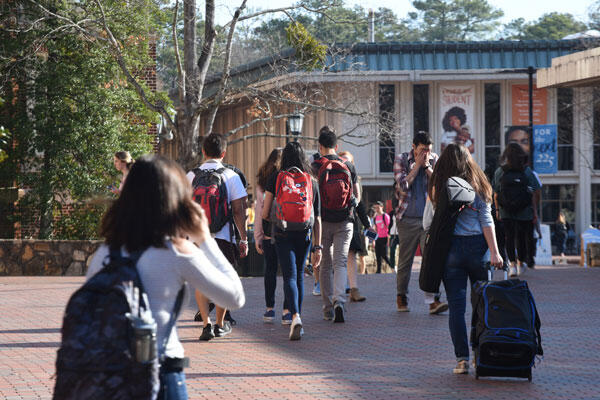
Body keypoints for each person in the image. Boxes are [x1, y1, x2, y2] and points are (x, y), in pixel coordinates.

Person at [86, 155, 245, 398]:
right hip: (162, 373)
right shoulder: (176, 251)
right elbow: (234, 297)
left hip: (114, 375)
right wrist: (204, 239)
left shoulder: (104, 254)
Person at [424, 143, 503, 375]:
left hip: (452, 250)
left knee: (457, 308)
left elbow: (432, 219)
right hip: (478, 248)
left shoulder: (439, 186)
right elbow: (486, 221)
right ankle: (481, 354)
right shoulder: (479, 185)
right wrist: (495, 252)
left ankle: (462, 359)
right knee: (482, 306)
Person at [187, 133, 248, 340]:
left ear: (203, 152)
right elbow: (239, 210)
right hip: (223, 236)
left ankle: (206, 324)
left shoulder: (191, 176)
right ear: (224, 152)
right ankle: (221, 325)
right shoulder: (231, 176)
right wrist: (243, 238)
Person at [262, 141, 322, 340]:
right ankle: (296, 315)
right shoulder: (311, 180)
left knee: (288, 275)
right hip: (304, 233)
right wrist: (318, 246)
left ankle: (293, 315)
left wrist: (265, 232)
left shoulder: (276, 178)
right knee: (298, 275)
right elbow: (318, 217)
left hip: (282, 231)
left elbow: (265, 210)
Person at [393, 131, 447, 314]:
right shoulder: (401, 159)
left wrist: (428, 167)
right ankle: (401, 297)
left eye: (429, 151)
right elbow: (402, 187)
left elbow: (441, 185)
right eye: (422, 150)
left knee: (430, 260)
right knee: (405, 261)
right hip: (406, 218)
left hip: (429, 219)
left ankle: (433, 300)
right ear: (414, 147)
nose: (426, 154)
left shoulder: (435, 159)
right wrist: (417, 166)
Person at [312, 126, 360, 323]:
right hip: (345, 219)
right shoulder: (347, 165)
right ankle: (339, 300)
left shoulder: (315, 166)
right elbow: (357, 195)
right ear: (336, 146)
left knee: (325, 265)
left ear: (320, 146)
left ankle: (327, 308)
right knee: (340, 261)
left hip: (323, 221)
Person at [254, 148, 292, 324]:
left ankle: (269, 309)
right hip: (286, 230)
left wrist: (257, 237)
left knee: (269, 270)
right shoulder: (288, 178)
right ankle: (286, 311)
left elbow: (259, 211)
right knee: (287, 272)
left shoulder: (262, 181)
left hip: (269, 232)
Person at [493, 143, 541, 277]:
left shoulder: (500, 171)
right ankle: (521, 263)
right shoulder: (527, 171)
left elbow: (496, 193)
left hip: (506, 209)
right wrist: (534, 211)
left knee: (509, 236)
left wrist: (497, 210)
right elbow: (535, 192)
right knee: (521, 237)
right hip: (524, 210)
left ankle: (512, 265)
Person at [338, 150, 367, 302]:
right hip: (333, 220)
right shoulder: (331, 175)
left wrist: (366, 224)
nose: (345, 164)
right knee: (335, 257)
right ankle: (335, 291)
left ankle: (354, 289)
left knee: (351, 255)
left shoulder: (356, 181)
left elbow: (359, 203)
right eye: (342, 161)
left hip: (350, 220)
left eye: (348, 161)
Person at [373, 201, 392, 274]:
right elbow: (376, 229)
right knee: (378, 255)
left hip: (385, 238)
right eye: (376, 208)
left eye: (378, 207)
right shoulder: (376, 217)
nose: (377, 209)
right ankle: (378, 271)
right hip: (378, 238)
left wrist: (388, 240)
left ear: (382, 207)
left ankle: (392, 267)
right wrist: (374, 240)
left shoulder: (385, 216)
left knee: (384, 255)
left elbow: (388, 228)